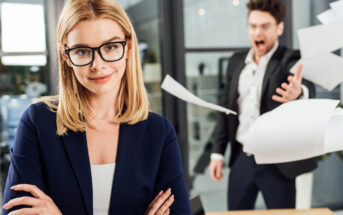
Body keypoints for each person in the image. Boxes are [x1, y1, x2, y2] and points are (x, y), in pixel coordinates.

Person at [2, 0, 191, 214]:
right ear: (66, 55)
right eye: (82, 51)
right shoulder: (38, 123)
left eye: (110, 47)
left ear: (128, 47)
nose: (97, 65)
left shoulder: (159, 132)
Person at [209, 0, 317, 210]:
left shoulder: (289, 59)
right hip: (242, 156)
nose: (258, 32)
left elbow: (307, 86)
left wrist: (298, 93)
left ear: (279, 28)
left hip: (277, 162)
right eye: (253, 26)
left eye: (265, 26)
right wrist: (217, 153)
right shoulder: (236, 61)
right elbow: (226, 110)